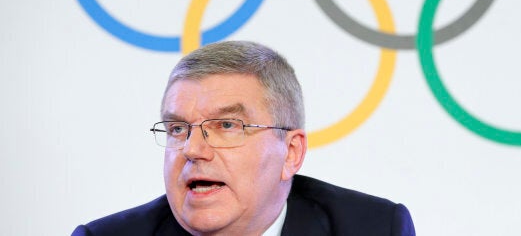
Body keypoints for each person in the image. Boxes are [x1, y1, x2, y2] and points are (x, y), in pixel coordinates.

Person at [71, 41, 415, 236]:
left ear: (291, 153)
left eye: (226, 126)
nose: (193, 149)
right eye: (178, 129)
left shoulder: (375, 229)